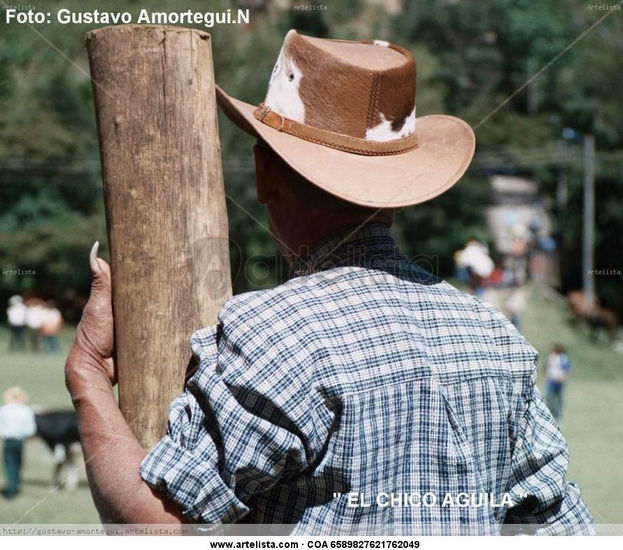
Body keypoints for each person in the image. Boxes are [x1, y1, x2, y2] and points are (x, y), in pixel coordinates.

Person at [65, 31, 593, 534]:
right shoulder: (495, 336)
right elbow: (560, 527)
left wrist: (88, 375)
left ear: (264, 174)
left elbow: (158, 526)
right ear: (401, 187)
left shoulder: (273, 335)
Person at [0, 387, 36, 498]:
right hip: (20, 441)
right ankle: (14, 486)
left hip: (8, 441)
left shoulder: (4, 410)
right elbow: (31, 429)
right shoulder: (26, 410)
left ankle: (11, 488)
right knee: (18, 463)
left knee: (9, 464)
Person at [545, 344, 572, 421]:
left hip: (560, 381)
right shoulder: (550, 357)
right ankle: (550, 412)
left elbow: (568, 369)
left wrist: (564, 377)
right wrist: (547, 377)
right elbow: (546, 367)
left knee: (559, 398)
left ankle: (558, 414)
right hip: (551, 380)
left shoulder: (564, 358)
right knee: (549, 397)